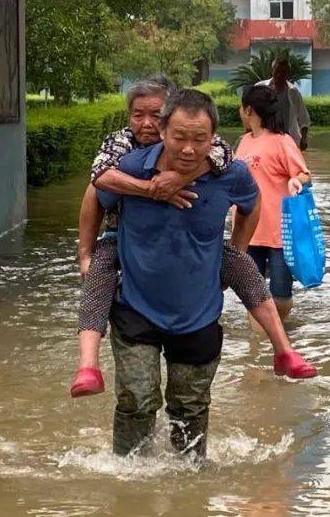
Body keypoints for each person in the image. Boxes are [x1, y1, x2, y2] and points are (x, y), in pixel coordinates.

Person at [70, 80, 316, 399]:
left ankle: (284, 350)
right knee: (97, 279)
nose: (146, 123)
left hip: (195, 271)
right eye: (137, 115)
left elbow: (224, 163)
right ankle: (88, 365)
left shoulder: (211, 150)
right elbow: (97, 182)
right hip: (120, 233)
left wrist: (181, 178)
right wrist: (150, 191)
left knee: (244, 270)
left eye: (155, 114)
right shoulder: (121, 147)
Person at [95, 89, 274, 457]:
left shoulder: (229, 172)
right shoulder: (129, 166)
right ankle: (128, 480)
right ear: (163, 131)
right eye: (179, 137)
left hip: (198, 310)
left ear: (213, 139)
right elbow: (94, 196)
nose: (189, 149)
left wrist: (235, 255)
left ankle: (190, 478)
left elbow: (250, 206)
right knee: (137, 400)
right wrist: (86, 253)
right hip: (135, 305)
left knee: (190, 408)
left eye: (199, 139)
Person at [236, 85, 312, 322]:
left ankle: (277, 333)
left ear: (248, 110)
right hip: (249, 229)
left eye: (241, 107)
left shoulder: (282, 141)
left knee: (280, 294)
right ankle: (258, 342)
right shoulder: (244, 141)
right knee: (252, 294)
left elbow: (304, 174)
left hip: (279, 232)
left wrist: (296, 182)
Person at [257, 56, 311, 151]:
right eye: (277, 71)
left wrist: (304, 138)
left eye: (283, 72)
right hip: (265, 139)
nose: (279, 75)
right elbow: (249, 111)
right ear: (272, 71)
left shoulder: (293, 92)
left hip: (288, 140)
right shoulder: (259, 88)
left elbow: (304, 118)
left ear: (287, 74)